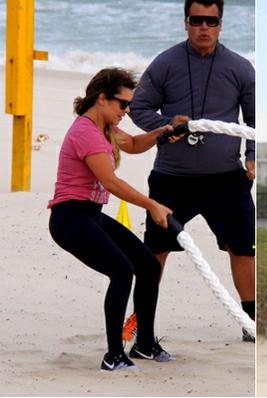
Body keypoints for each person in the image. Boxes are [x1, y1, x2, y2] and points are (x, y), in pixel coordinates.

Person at [128, 0, 255, 342]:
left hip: (226, 177)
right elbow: (138, 107)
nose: (203, 27)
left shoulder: (240, 67)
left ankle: (251, 323)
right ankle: (142, 322)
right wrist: (167, 125)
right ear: (185, 22)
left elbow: (254, 119)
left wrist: (252, 156)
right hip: (173, 177)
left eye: (210, 21)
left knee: (243, 248)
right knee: (155, 250)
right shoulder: (166, 63)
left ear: (221, 24)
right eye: (196, 20)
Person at [48, 67, 179, 371]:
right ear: (103, 98)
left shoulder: (105, 127)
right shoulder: (85, 132)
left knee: (147, 264)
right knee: (122, 271)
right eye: (123, 104)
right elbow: (111, 183)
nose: (127, 110)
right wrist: (152, 205)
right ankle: (113, 355)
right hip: (69, 219)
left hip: (91, 215)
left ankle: (145, 343)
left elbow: (132, 145)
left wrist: (162, 132)